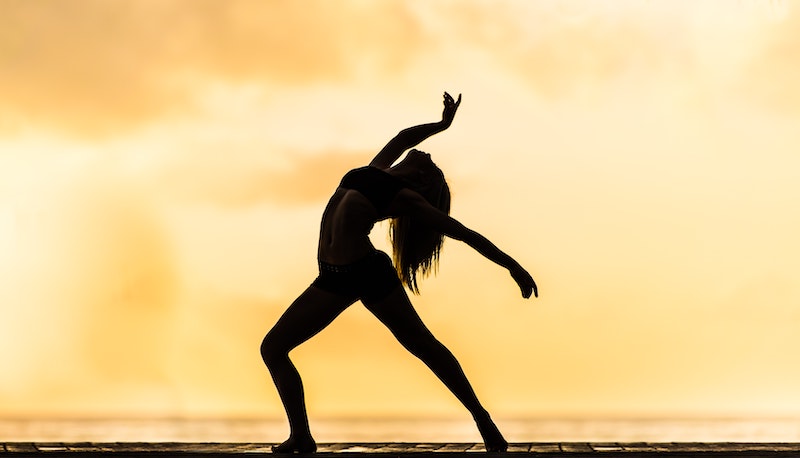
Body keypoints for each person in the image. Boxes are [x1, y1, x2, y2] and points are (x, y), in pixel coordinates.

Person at [261, 92, 537, 453]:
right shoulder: (376, 169)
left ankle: (482, 418)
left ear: (423, 180)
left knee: (423, 345)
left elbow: (464, 233)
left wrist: (512, 265)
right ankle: (301, 435)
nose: (426, 153)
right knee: (273, 348)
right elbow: (406, 137)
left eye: (431, 161)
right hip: (332, 278)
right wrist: (442, 125)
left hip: (366, 272)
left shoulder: (406, 198)